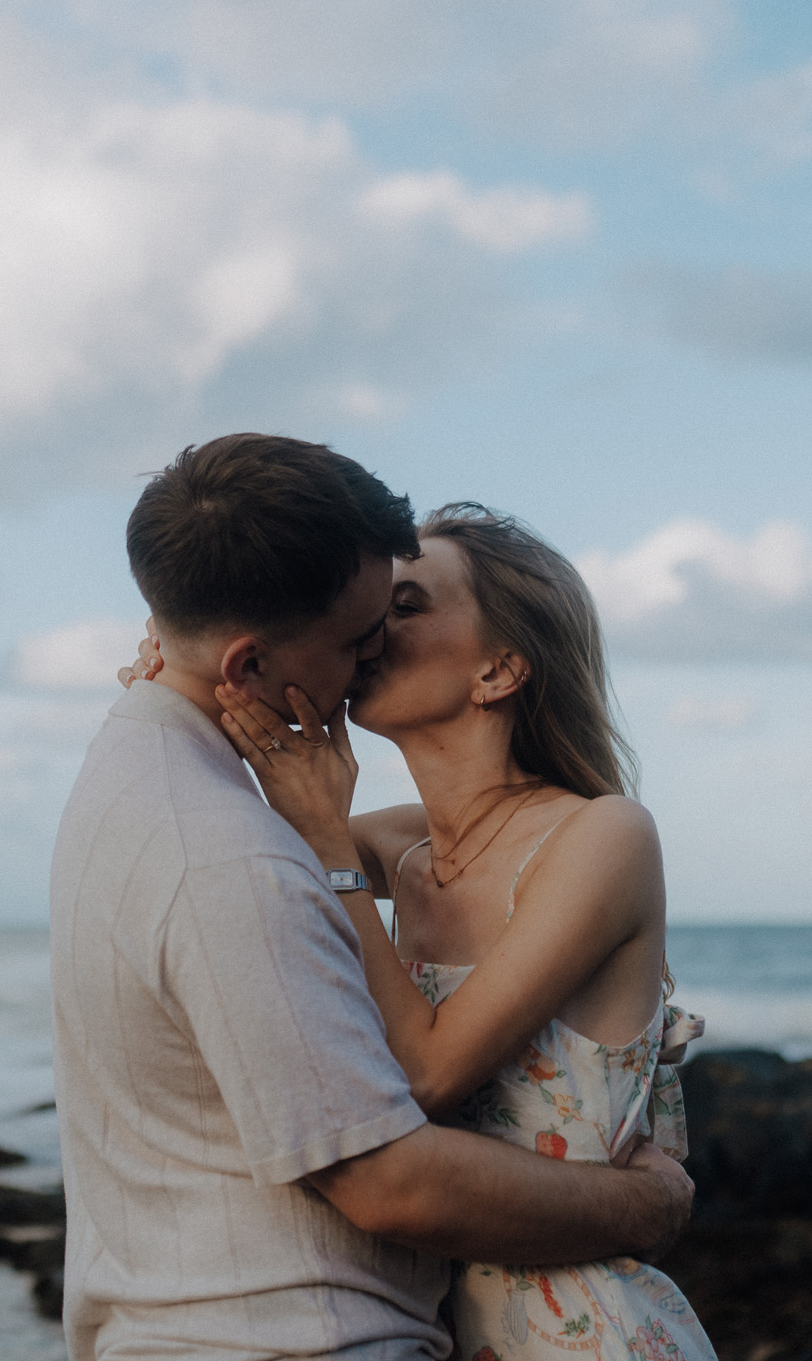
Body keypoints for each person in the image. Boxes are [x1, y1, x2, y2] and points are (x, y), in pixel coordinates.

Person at [52, 436, 693, 1361]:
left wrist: (315, 825)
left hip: (574, 1317)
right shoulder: (382, 844)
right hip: (451, 1319)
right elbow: (242, 826)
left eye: (402, 606)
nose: (374, 636)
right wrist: (184, 654)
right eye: (365, 618)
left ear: (499, 669)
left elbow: (427, 1071)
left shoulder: (601, 836)